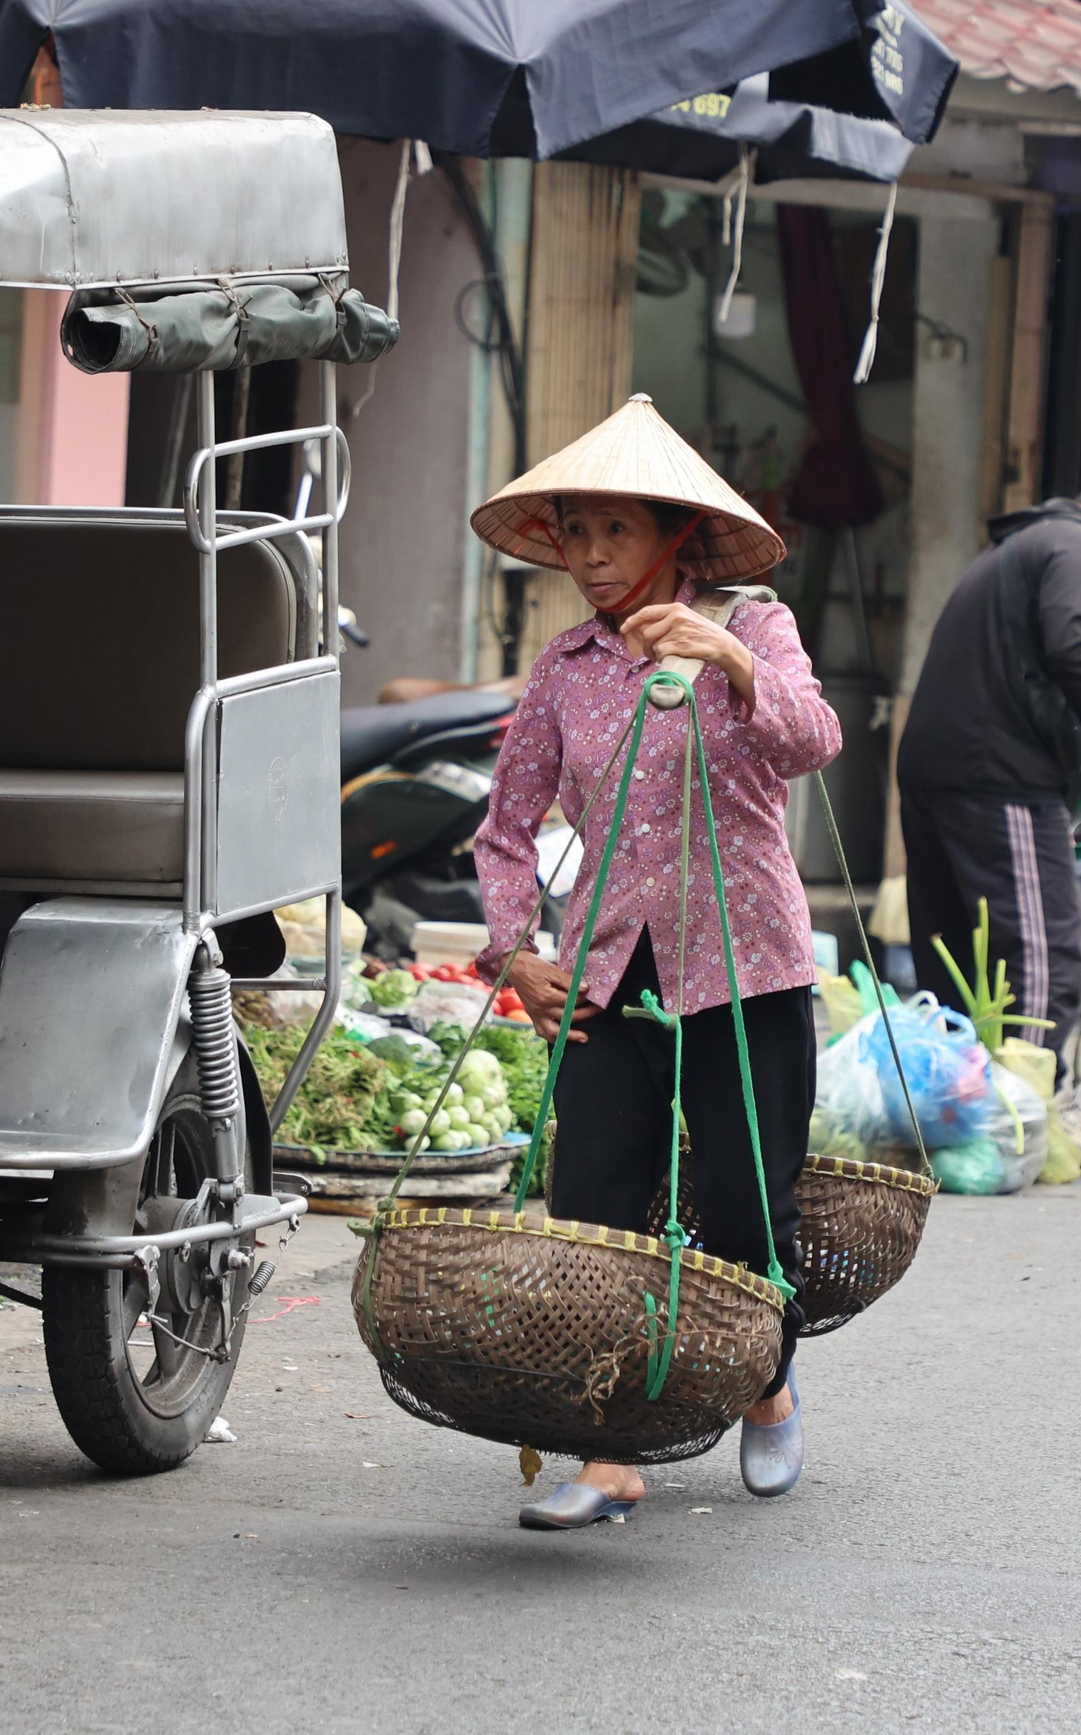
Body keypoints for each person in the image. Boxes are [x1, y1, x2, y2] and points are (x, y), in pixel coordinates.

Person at [471, 394, 841, 1529]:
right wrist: (510, 950)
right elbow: (505, 823)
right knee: (591, 1212)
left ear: (674, 537)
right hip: (605, 969)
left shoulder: (758, 628)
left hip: (748, 966)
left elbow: (810, 742)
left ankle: (765, 1385)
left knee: (743, 1213)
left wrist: (725, 653)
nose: (587, 557)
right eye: (573, 533)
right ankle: (611, 1448)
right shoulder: (564, 668)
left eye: (612, 533)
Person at [895, 456, 1081, 1167]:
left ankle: (955, 1116)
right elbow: (1072, 645)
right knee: (1043, 950)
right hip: (997, 774)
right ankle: (1034, 1116)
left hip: (937, 767)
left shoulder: (1026, 543)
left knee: (958, 957)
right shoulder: (1078, 547)